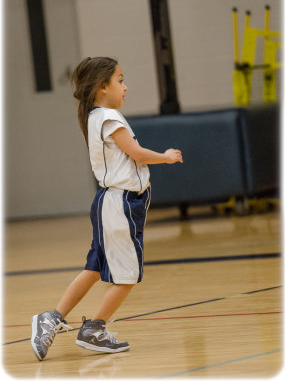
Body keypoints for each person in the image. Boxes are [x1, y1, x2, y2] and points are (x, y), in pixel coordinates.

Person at [31, 56, 183, 361]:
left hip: (113, 203)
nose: (125, 87)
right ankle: (94, 329)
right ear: (102, 87)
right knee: (127, 275)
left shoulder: (98, 116)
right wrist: (166, 156)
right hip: (120, 204)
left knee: (95, 268)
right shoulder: (108, 118)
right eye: (120, 80)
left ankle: (52, 317)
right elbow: (136, 152)